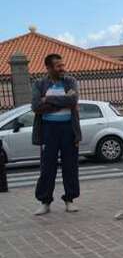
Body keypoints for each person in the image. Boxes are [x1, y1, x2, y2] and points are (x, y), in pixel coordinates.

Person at [31, 53, 82, 215]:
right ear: (48, 68)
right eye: (58, 66)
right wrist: (62, 102)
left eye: (62, 65)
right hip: (48, 130)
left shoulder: (70, 81)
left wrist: (48, 100)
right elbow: (36, 106)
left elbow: (73, 101)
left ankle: (70, 200)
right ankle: (45, 202)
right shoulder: (39, 84)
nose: (62, 68)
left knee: (70, 166)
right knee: (47, 167)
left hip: (68, 129)